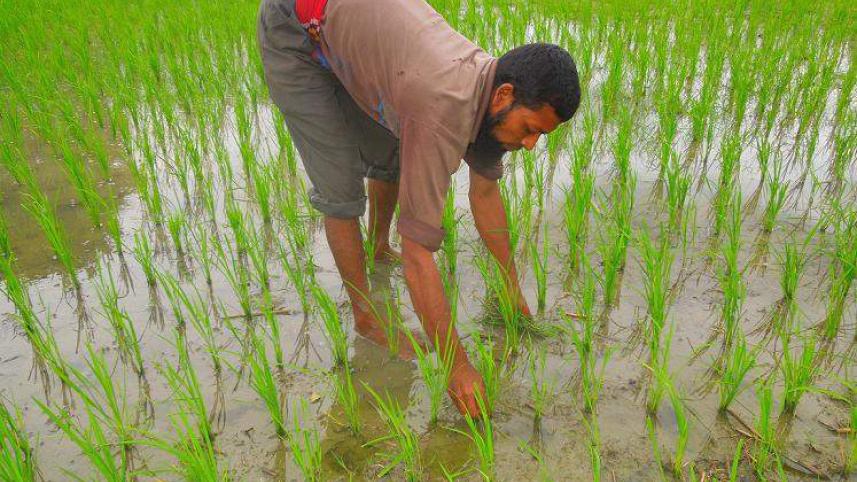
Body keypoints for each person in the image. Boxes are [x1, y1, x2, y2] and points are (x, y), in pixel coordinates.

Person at [256, 0, 581, 417]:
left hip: (360, 33)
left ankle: (376, 248)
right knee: (340, 189)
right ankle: (368, 319)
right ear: (504, 95)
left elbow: (485, 194)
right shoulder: (440, 108)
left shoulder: (488, 90)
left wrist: (511, 289)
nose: (532, 144)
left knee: (393, 150)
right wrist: (458, 368)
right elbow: (418, 255)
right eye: (531, 130)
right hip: (297, 30)